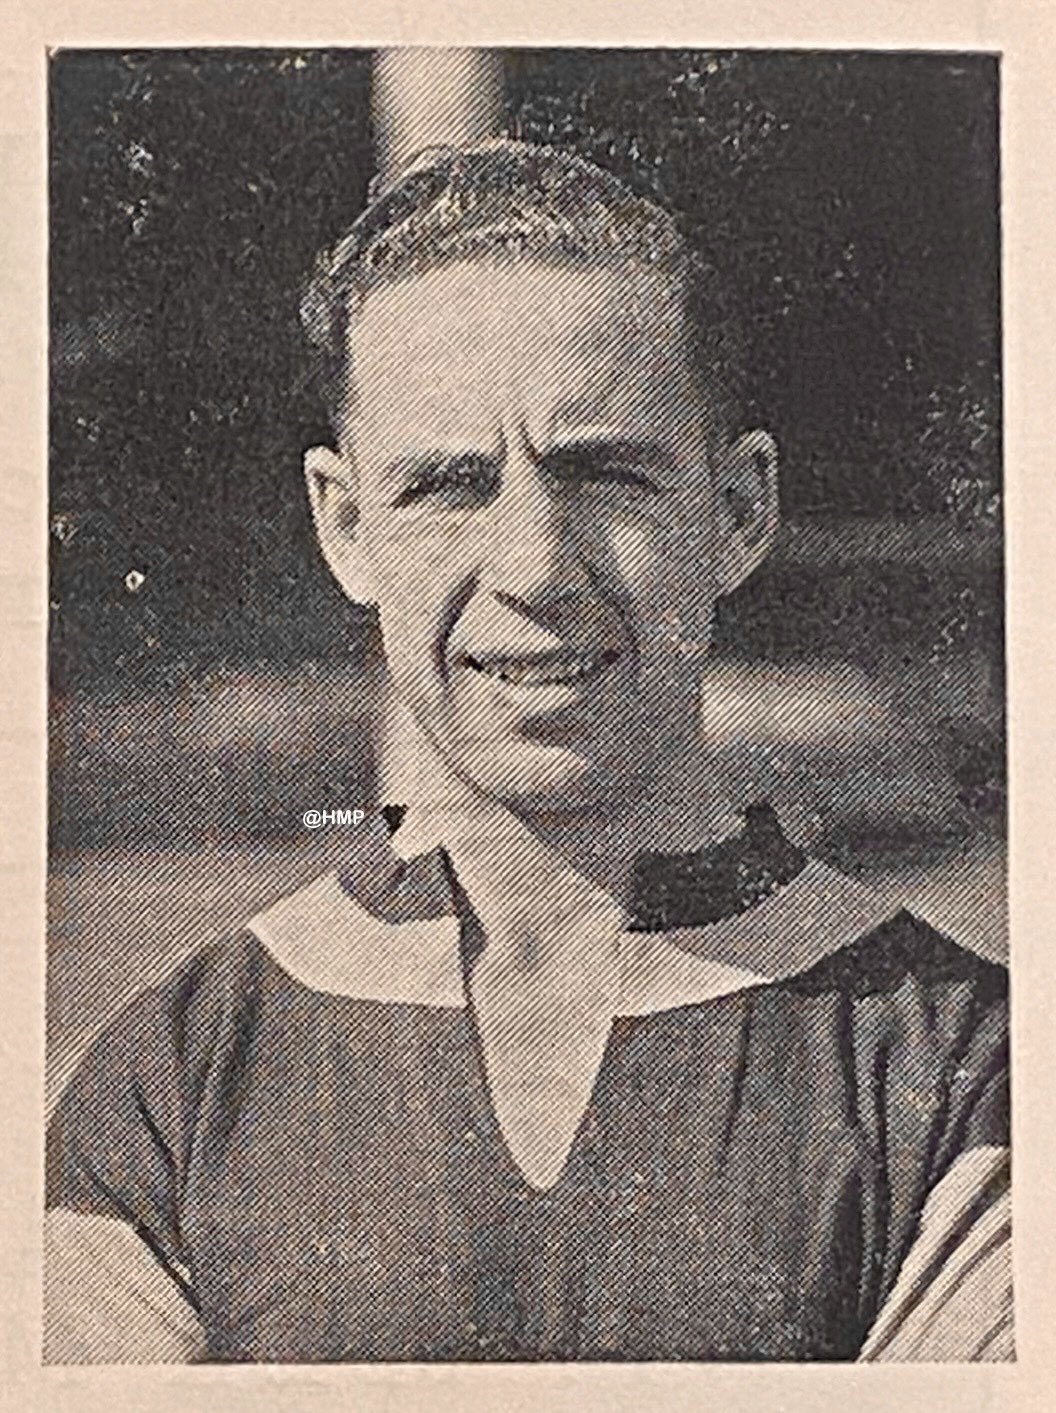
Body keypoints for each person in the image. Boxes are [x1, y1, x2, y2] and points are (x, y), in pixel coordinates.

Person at [44, 140, 1011, 1363]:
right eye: (448, 486)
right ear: (346, 529)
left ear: (739, 512)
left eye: (604, 474)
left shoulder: (963, 1068)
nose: (535, 568)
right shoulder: (170, 1084)